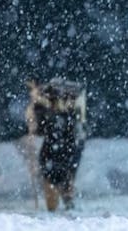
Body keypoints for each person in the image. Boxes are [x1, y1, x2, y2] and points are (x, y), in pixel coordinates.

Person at [25, 78, 87, 211]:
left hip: (62, 146)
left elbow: (42, 127)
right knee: (56, 173)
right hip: (58, 147)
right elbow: (40, 127)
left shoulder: (65, 113)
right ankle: (61, 197)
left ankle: (63, 196)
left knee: (59, 173)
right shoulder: (53, 112)